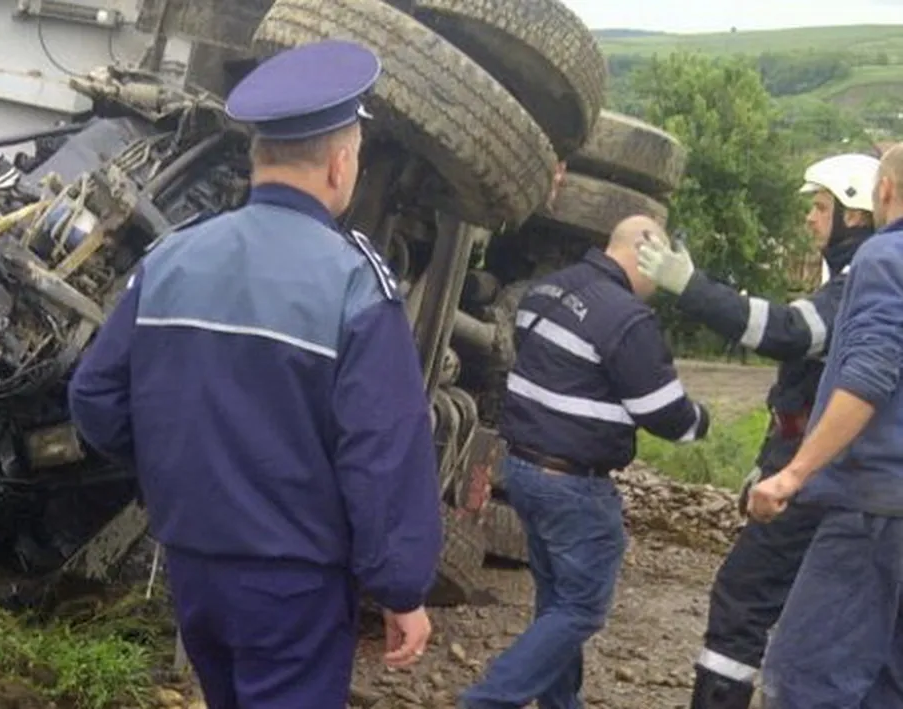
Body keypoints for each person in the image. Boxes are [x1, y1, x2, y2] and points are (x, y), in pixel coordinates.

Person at [66, 39, 443, 709]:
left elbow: (95, 397)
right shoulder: (354, 285)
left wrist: (173, 472)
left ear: (259, 156)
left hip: (193, 562)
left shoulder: (173, 258)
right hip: (293, 580)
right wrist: (401, 587)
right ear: (339, 163)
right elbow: (382, 451)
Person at [635, 152, 881, 709]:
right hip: (825, 470)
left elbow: (788, 332)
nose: (810, 219)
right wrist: (767, 462)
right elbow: (802, 390)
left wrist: (691, 287)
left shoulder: (861, 282)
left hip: (822, 479)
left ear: (857, 214)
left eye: (822, 207)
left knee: (743, 602)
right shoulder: (855, 277)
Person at [459, 215, 712, 709]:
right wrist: (700, 420)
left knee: (556, 602)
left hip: (525, 471)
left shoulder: (546, 291)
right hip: (574, 484)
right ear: (644, 254)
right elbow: (667, 416)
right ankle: (488, 700)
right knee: (581, 608)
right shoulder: (625, 318)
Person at [745, 144, 903, 708]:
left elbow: (868, 375)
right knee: (886, 684)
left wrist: (793, 474)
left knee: (809, 677)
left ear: (882, 192)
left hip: (872, 506)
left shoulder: (885, 259)